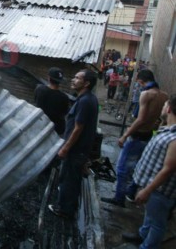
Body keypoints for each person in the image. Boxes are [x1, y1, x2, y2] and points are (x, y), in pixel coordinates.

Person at [101, 69, 168, 207]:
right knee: (139, 166)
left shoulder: (146, 94)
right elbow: (161, 120)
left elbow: (141, 119)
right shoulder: (164, 96)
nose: (139, 85)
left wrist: (125, 135)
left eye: (139, 83)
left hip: (137, 135)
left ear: (141, 81)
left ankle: (119, 198)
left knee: (122, 168)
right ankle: (130, 193)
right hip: (149, 135)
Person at [121, 95, 176, 247]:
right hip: (152, 187)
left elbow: (168, 169)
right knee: (150, 216)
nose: (162, 108)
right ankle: (142, 234)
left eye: (164, 105)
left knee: (158, 223)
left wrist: (148, 190)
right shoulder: (167, 129)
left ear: (169, 109)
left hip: (160, 190)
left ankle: (147, 246)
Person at [48, 69, 99, 219]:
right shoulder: (89, 99)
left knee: (68, 178)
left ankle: (64, 210)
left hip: (76, 150)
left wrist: (65, 148)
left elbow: (78, 128)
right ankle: (70, 206)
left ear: (86, 83)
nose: (73, 80)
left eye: (77, 78)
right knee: (73, 178)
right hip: (81, 149)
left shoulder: (84, 101)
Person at [34, 67, 70, 135]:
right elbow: (64, 113)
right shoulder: (64, 97)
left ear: (49, 78)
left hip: (39, 125)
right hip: (55, 130)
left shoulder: (39, 89)